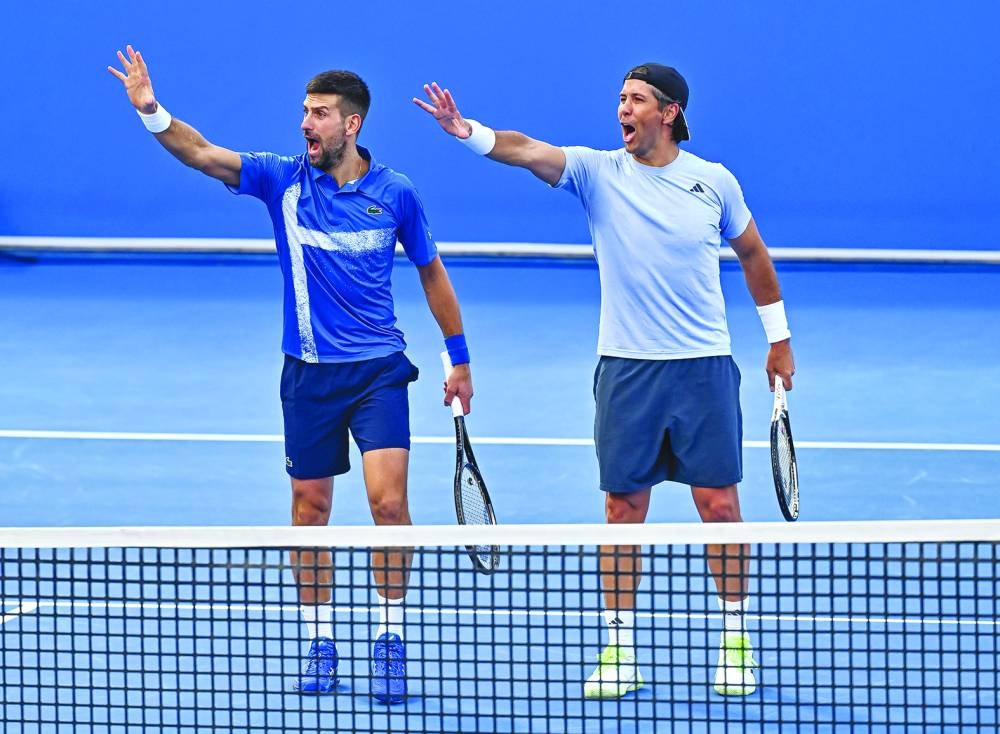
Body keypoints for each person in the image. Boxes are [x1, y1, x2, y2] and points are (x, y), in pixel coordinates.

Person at [414, 64, 795, 699]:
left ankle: (735, 641)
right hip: (626, 369)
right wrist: (466, 130)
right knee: (623, 511)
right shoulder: (597, 173)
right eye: (621, 99)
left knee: (721, 508)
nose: (624, 109)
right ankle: (619, 648)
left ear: (668, 112)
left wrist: (779, 340)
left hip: (703, 366)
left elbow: (754, 253)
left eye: (637, 99)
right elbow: (526, 149)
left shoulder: (713, 183)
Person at [109, 45, 475, 705]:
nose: (307, 123)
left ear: (352, 124)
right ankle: (320, 640)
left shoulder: (396, 194)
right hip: (307, 376)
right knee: (310, 512)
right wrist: (152, 112)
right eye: (305, 112)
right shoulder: (281, 181)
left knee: (389, 506)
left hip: (378, 374)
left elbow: (431, 271)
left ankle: (389, 639)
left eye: (321, 114)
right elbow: (201, 152)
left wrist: (459, 357)